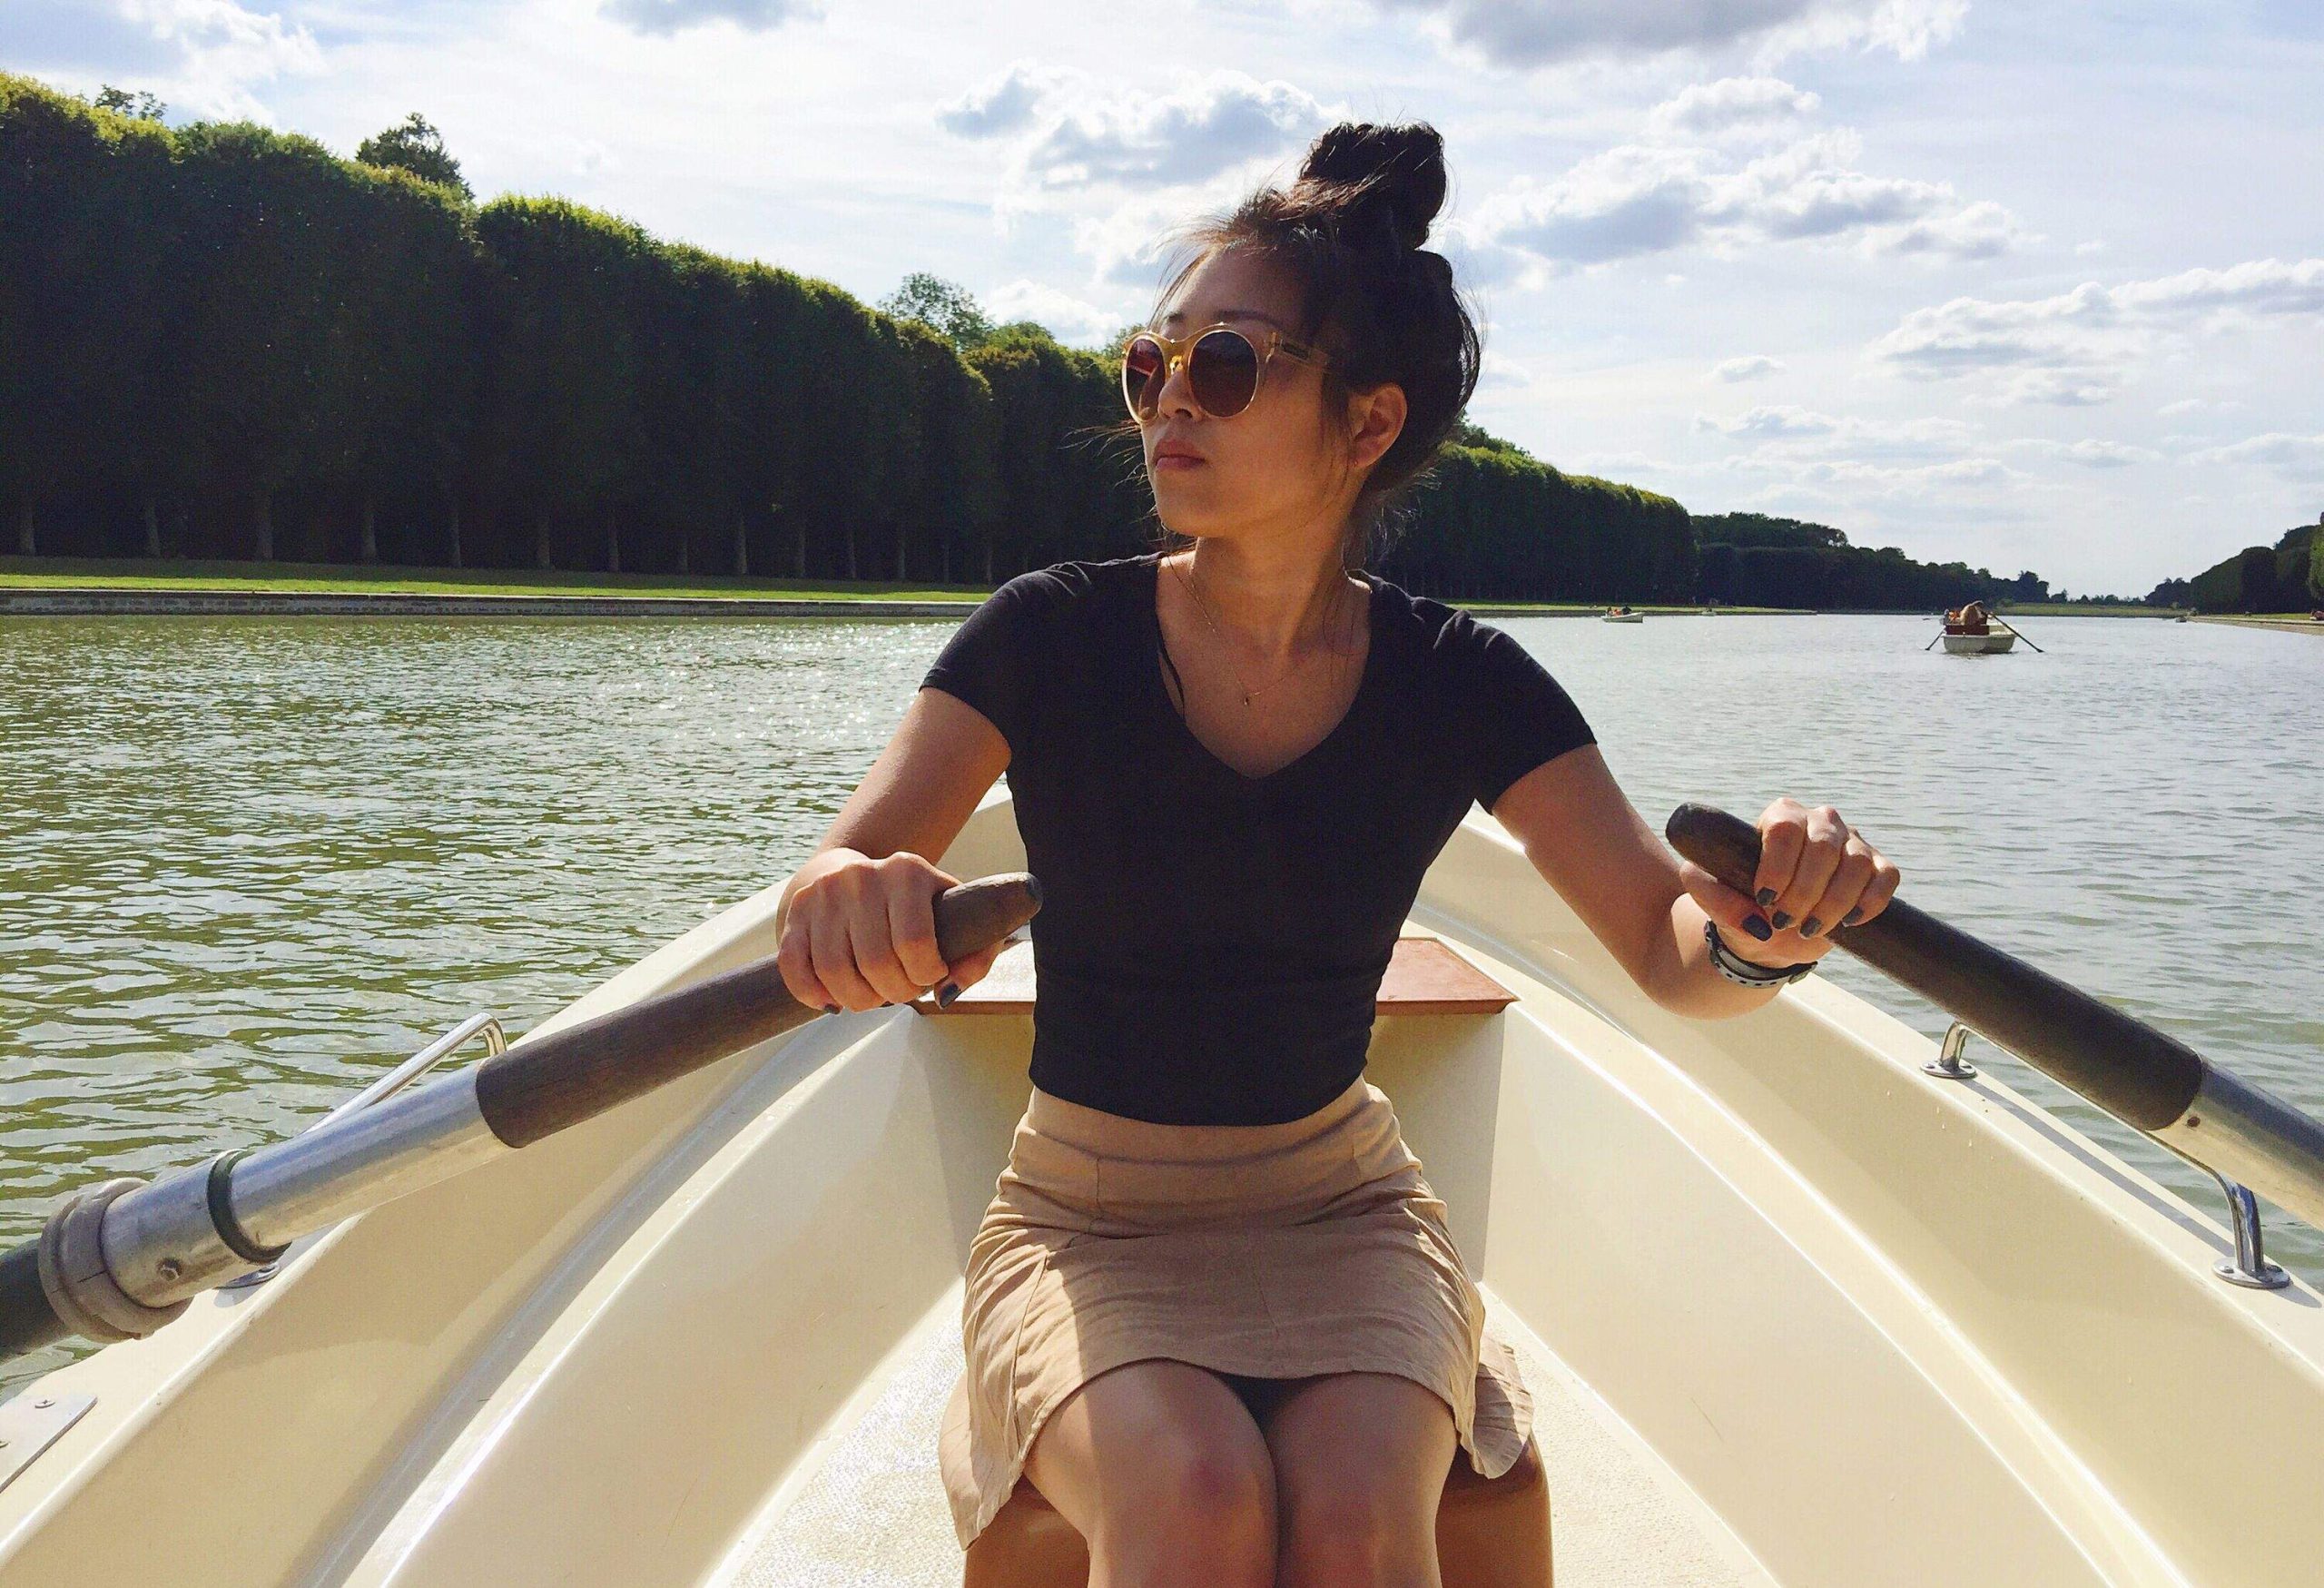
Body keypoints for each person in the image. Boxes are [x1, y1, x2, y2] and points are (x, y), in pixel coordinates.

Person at [772, 122, 1900, 1588]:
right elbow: (833, 876)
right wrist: (849, 903)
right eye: (1151, 364)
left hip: (1343, 1202)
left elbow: (1674, 951)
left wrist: (1772, 926)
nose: (1170, 402)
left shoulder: (1465, 680)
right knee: (1198, 1502)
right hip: (1083, 1209)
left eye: (1225, 367)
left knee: (1366, 1523)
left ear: (1367, 425)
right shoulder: (1044, 632)